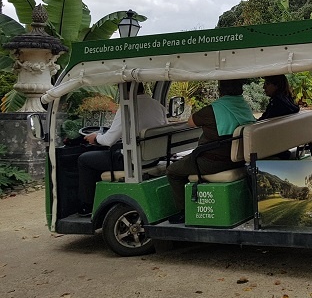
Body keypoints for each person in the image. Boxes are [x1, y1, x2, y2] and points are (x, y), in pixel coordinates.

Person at [166, 78, 255, 223]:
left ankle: (185, 212)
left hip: (213, 161)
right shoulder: (243, 105)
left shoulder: (213, 110)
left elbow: (191, 122)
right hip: (238, 159)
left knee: (173, 170)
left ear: (220, 90)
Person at [77, 83, 168, 216]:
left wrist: (95, 137)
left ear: (124, 91)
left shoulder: (127, 107)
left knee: (84, 160)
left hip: (133, 161)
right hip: (153, 158)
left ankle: (87, 205)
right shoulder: (157, 105)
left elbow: (108, 140)